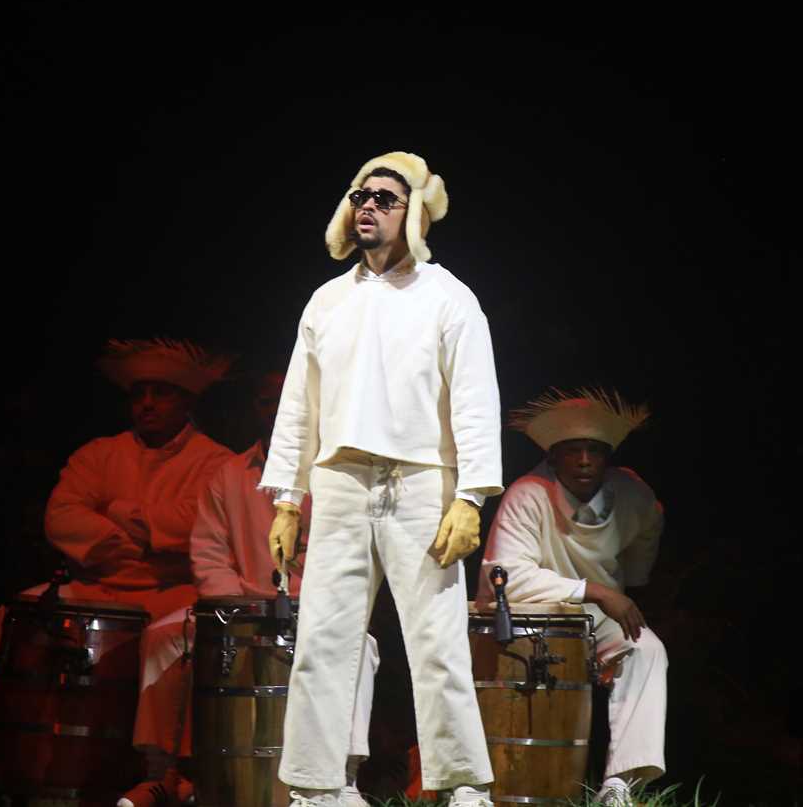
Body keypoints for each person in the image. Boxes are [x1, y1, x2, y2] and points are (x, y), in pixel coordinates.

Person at [260, 152, 502, 807]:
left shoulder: (449, 297)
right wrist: (287, 498)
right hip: (338, 480)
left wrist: (471, 495)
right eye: (360, 194)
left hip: (421, 480)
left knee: (437, 638)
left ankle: (460, 783)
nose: (367, 205)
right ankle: (316, 785)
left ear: (414, 213)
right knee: (322, 638)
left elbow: (475, 400)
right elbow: (300, 406)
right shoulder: (327, 301)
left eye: (385, 198)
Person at [0, 339, 233, 796]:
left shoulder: (216, 461)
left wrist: (118, 511)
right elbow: (63, 515)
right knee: (13, 617)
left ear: (187, 400)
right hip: (96, 584)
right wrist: (136, 540)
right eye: (139, 393)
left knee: (175, 635)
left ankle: (163, 778)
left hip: (170, 590)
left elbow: (194, 526)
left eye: (161, 392)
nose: (147, 403)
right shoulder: (99, 453)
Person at [120, 371, 381, 807]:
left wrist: (314, 605)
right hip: (237, 609)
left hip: (317, 610)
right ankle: (161, 774)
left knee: (362, 648)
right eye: (266, 401)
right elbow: (207, 553)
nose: (277, 410)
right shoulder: (229, 475)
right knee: (164, 638)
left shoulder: (341, 476)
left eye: (286, 399)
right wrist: (238, 610)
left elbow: (359, 557)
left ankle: (344, 779)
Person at [479, 389, 668, 807]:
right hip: (537, 613)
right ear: (554, 456)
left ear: (607, 456)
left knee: (647, 650)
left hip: (595, 616)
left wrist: (625, 584)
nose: (584, 460)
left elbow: (647, 536)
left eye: (594, 450)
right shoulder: (528, 493)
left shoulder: (633, 494)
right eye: (572, 451)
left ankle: (621, 784)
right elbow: (502, 580)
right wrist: (597, 591)